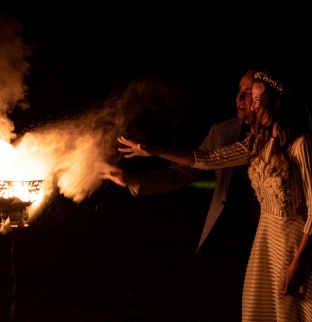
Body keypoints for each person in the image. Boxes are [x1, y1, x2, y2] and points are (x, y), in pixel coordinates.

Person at [113, 71, 312, 322]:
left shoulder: (302, 145)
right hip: (265, 241)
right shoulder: (257, 143)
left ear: (275, 102)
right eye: (250, 96)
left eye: (257, 98)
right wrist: (155, 150)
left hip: (293, 243)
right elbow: (209, 158)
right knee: (266, 318)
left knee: (302, 318)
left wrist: (298, 262)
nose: (250, 103)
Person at [106, 69, 260, 277]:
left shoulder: (281, 135)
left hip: (272, 226)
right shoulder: (223, 131)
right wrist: (133, 180)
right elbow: (183, 173)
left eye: (248, 92)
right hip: (235, 231)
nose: (240, 97)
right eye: (239, 90)